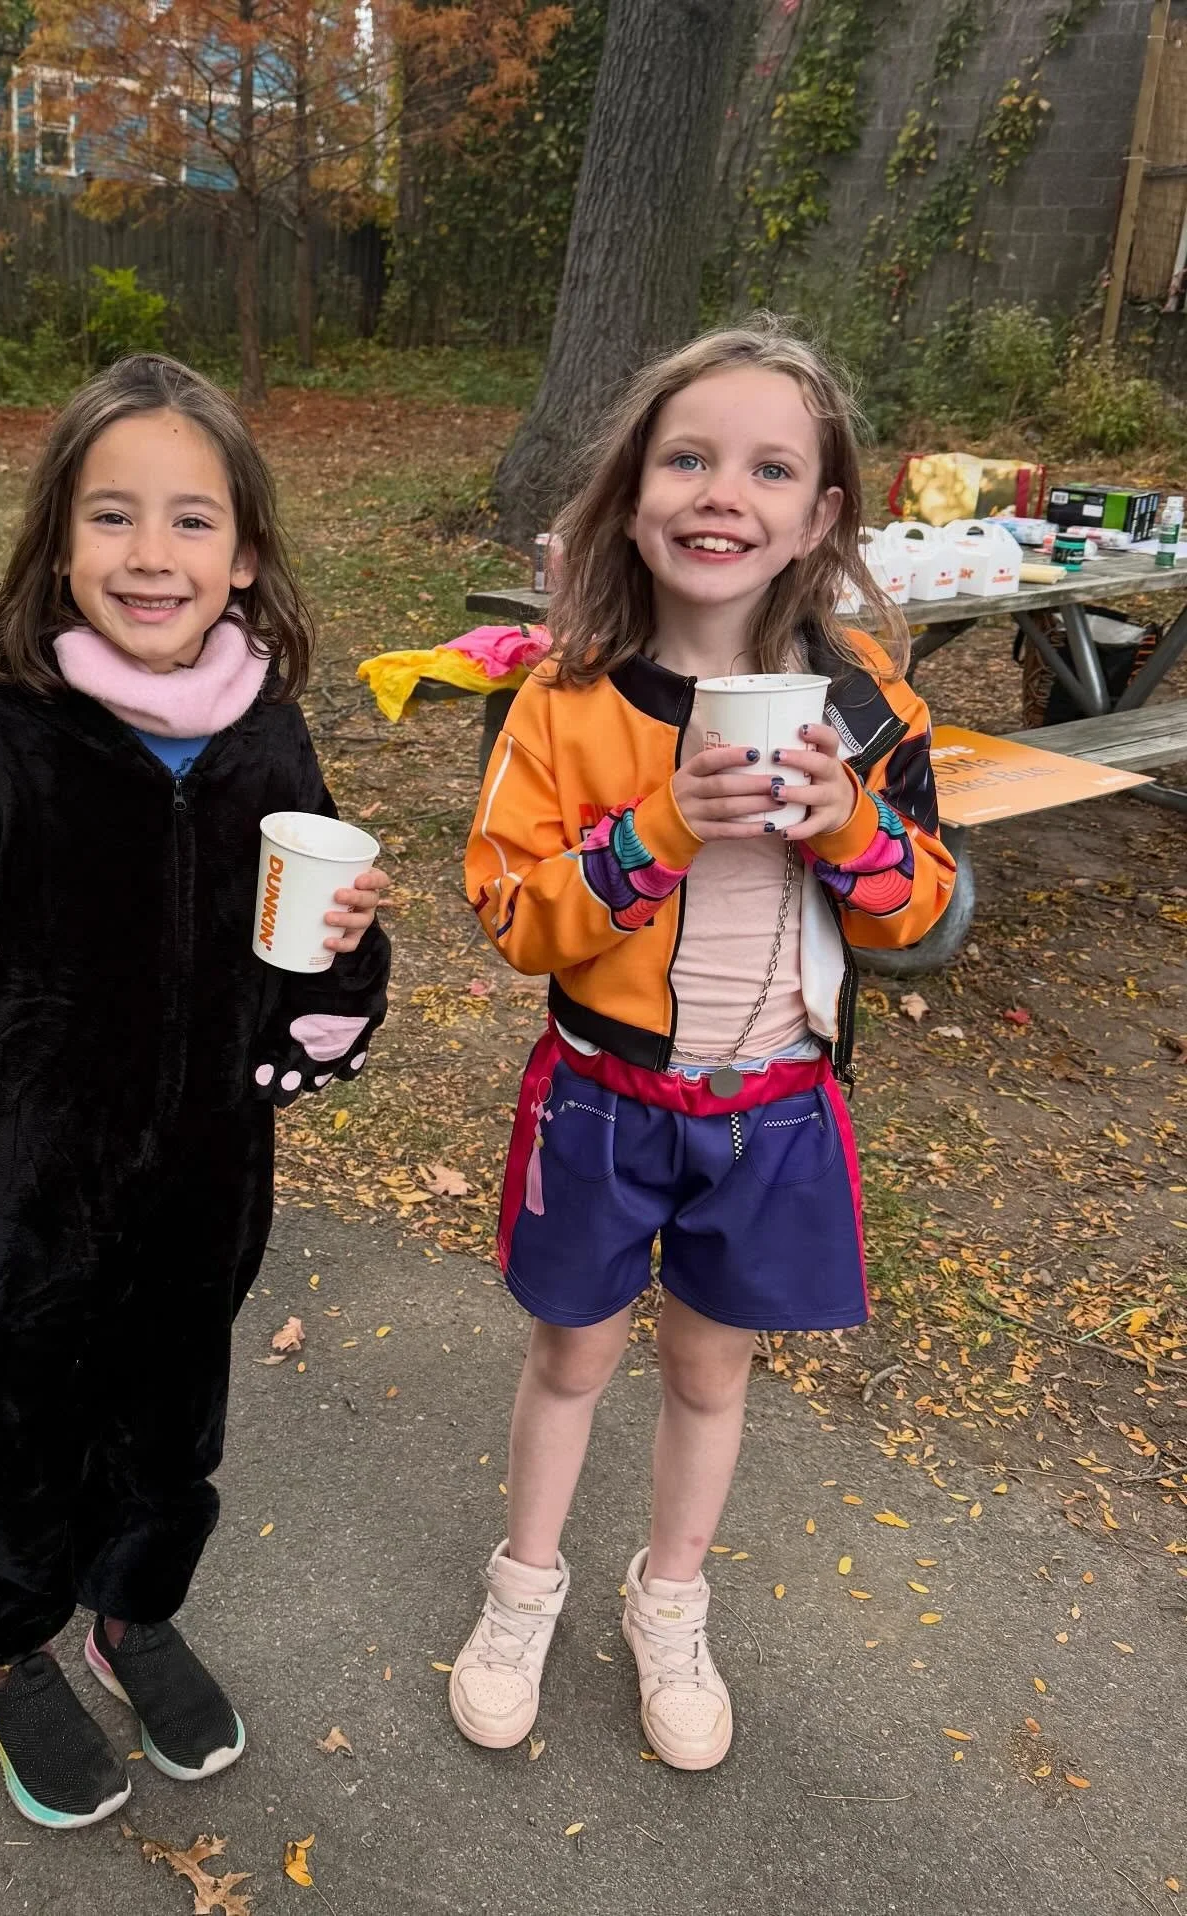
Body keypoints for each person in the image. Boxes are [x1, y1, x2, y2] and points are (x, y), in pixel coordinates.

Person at [0, 354, 390, 1828]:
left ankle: (133, 1609)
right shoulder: (9, 735)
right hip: (24, 1177)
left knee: (167, 1422)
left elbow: (297, 953)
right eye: (112, 516)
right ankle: (4, 1648)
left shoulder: (267, 729)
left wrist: (344, 960)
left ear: (245, 551)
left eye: (192, 522)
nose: (151, 555)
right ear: (60, 542)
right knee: (10, 1427)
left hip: (200, 1176)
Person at [454, 318, 954, 1770]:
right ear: (632, 491)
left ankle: (670, 1598)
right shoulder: (563, 700)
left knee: (710, 1373)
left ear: (819, 516)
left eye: (768, 467)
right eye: (688, 457)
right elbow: (512, 913)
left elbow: (920, 905)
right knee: (570, 1358)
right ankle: (522, 1588)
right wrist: (662, 826)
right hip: (604, 1101)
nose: (721, 491)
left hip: (777, 1112)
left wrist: (851, 826)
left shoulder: (867, 712)